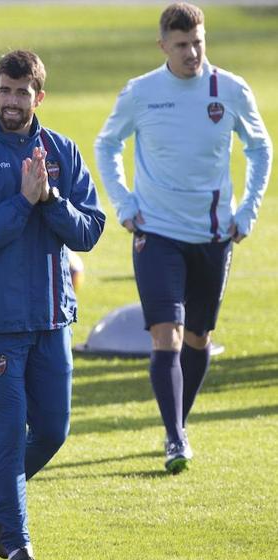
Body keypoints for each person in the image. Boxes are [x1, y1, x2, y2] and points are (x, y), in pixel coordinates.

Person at [95, 2, 272, 474]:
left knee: (198, 336)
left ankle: (179, 422)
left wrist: (247, 210)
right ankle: (175, 438)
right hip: (156, 234)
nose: (192, 52)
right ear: (163, 46)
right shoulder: (141, 93)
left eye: (198, 42)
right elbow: (107, 144)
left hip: (213, 235)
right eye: (182, 45)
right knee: (166, 336)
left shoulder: (230, 90)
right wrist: (126, 205)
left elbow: (260, 149)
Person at [0, 50, 105, 560]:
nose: (12, 101)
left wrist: (50, 199)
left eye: (22, 92)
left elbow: (90, 230)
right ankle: (19, 551)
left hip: (52, 321)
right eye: (4, 90)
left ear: (39, 96)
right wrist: (21, 201)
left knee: (54, 431)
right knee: (9, 437)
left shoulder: (61, 150)